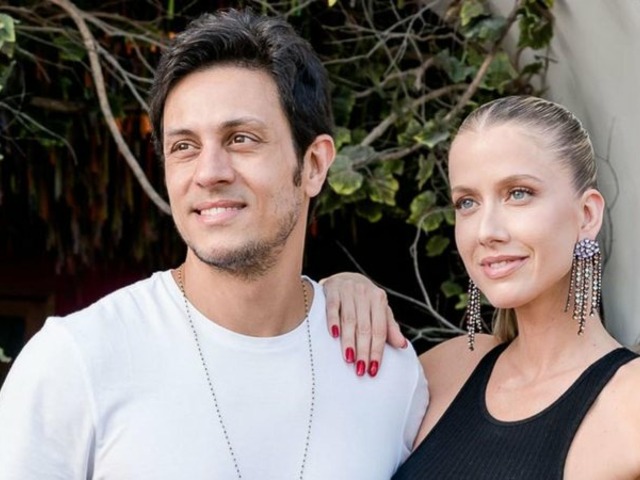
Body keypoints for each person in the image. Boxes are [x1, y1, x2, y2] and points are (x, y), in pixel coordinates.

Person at [0, 9, 428, 479]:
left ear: (314, 165)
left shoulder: (388, 373)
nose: (209, 173)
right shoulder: (75, 362)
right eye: (184, 146)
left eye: (241, 139)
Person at [324, 95, 640, 479]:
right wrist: (335, 293)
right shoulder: (446, 370)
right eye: (467, 203)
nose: (486, 231)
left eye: (518, 193)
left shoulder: (630, 404)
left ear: (586, 215)